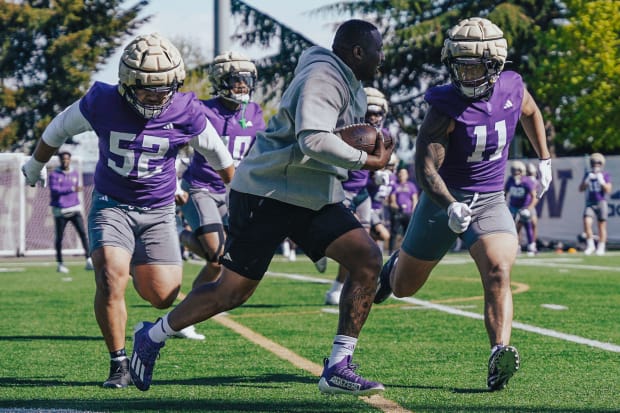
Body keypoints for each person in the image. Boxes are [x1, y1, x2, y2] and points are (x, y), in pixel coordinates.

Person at [129, 19, 391, 395]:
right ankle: (152, 334)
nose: (382, 59)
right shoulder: (324, 76)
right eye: (378, 51)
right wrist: (367, 160)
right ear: (358, 52)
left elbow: (329, 144)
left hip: (310, 195)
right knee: (231, 292)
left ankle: (338, 365)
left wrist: (371, 144)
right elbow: (313, 140)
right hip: (267, 193)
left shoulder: (354, 87)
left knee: (367, 260)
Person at [21, 33, 235, 389]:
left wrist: (244, 200)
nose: (155, 95)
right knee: (109, 277)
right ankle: (118, 363)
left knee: (162, 295)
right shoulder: (102, 101)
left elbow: (220, 157)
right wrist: (34, 164)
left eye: (163, 88)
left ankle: (139, 318)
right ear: (126, 83)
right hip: (112, 203)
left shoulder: (187, 110)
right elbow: (57, 128)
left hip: (160, 209)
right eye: (145, 88)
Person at [373, 17, 552, 391]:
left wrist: (544, 157)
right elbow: (425, 169)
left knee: (499, 271)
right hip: (442, 202)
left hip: (489, 200)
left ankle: (498, 354)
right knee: (405, 287)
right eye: (460, 65)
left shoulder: (512, 87)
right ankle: (391, 270)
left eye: (474, 66)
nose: (465, 74)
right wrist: (450, 204)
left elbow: (532, 112)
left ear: (496, 64)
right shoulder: (444, 107)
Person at [179, 51, 266, 286]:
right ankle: (178, 233)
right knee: (217, 258)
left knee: (235, 256)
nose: (242, 86)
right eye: (235, 80)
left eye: (247, 80)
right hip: (201, 188)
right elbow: (172, 140)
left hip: (233, 192)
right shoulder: (201, 110)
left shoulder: (256, 113)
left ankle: (194, 305)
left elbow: (260, 155)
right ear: (220, 82)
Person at [324, 87, 385, 305]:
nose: (374, 117)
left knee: (363, 245)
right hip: (342, 190)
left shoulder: (383, 136)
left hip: (362, 193)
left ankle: (339, 287)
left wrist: (378, 177)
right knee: (352, 241)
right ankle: (321, 251)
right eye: (370, 112)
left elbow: (377, 168)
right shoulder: (349, 130)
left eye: (378, 113)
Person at [48, 151, 93, 273]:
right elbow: (55, 189)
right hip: (60, 210)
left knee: (83, 234)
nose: (65, 161)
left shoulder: (74, 173)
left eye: (67, 159)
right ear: (60, 160)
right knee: (59, 238)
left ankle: (89, 260)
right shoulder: (54, 175)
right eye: (63, 159)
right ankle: (60, 264)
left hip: (75, 208)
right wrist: (72, 189)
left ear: (70, 160)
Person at [579, 153, 612, 255]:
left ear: (601, 164)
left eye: (598, 163)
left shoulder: (605, 174)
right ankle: (590, 245)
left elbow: (608, 190)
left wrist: (601, 181)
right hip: (590, 202)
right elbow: (580, 189)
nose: (595, 165)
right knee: (586, 222)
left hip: (601, 201)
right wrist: (587, 180)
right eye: (593, 163)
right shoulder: (588, 174)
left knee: (601, 225)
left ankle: (601, 246)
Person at [505, 160, 538, 256]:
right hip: (513, 207)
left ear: (521, 170)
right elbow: (505, 193)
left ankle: (532, 246)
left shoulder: (527, 181)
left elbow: (534, 196)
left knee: (528, 225)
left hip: (525, 206)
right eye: (513, 170)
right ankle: (516, 246)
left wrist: (529, 208)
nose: (514, 172)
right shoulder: (510, 180)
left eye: (516, 170)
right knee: (514, 228)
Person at [388, 166, 418, 252]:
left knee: (408, 234)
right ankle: (391, 251)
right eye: (400, 173)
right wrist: (396, 208)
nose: (401, 175)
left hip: (408, 213)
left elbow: (414, 199)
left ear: (407, 175)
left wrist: (413, 210)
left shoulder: (411, 186)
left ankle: (407, 252)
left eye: (404, 173)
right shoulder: (395, 185)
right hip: (398, 213)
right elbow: (392, 199)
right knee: (394, 233)